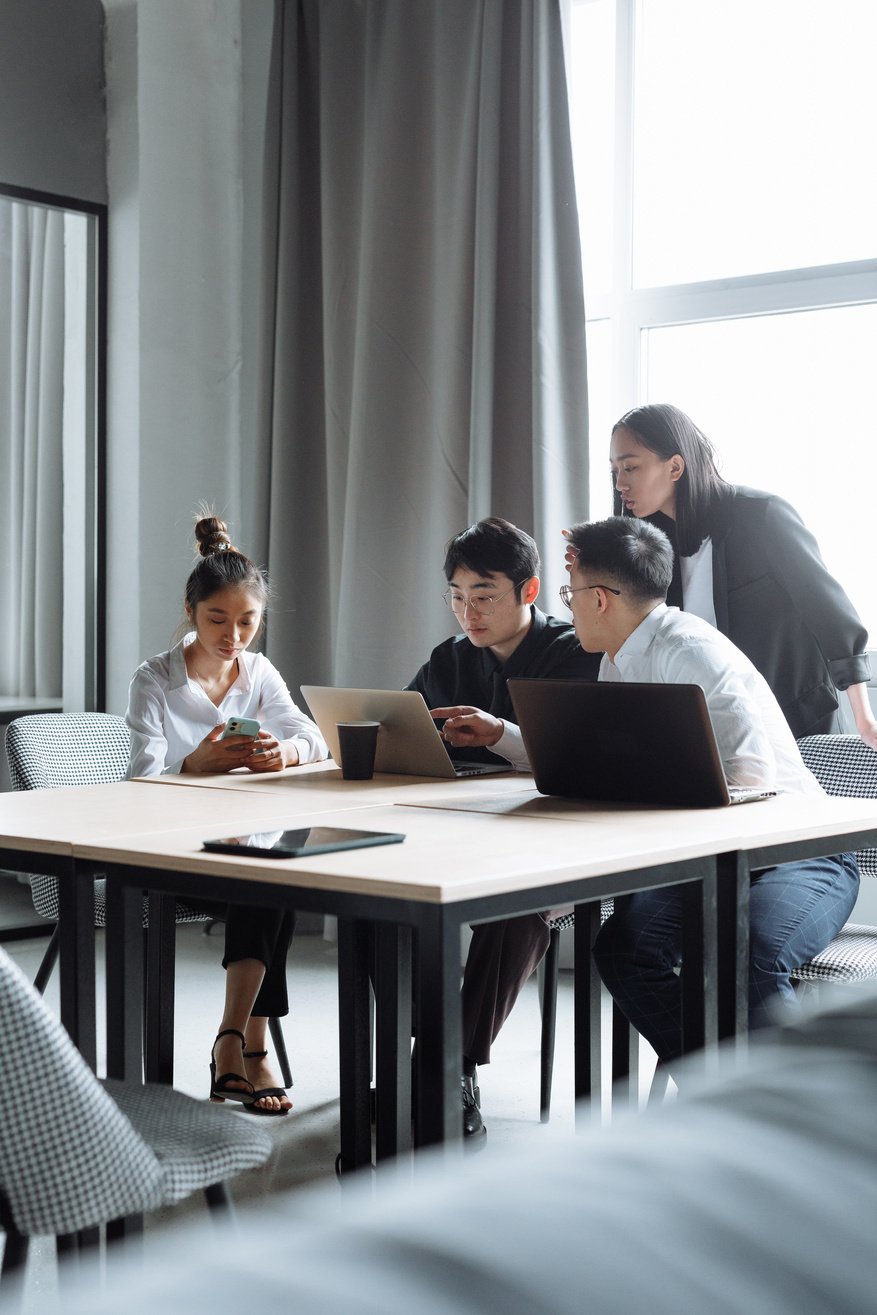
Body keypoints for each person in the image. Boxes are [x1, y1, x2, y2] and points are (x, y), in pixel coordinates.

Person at [562, 514, 860, 1066]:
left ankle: (796, 1122)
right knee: (625, 951)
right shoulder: (616, 663)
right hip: (713, 860)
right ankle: (732, 1101)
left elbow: (750, 780)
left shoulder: (691, 649)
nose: (568, 605)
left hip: (799, 854)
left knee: (747, 956)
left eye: (571, 591)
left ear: (600, 599)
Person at [125, 514, 328, 1114]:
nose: (233, 635)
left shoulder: (258, 672)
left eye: (248, 622)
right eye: (218, 619)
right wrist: (195, 766)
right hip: (175, 850)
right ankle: (247, 1043)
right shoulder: (155, 681)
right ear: (191, 610)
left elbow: (311, 736)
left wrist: (284, 749)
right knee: (269, 876)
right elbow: (139, 779)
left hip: (247, 847)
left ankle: (234, 1040)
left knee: (272, 871)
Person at [406, 517, 600, 1136]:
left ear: (529, 591)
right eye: (457, 597)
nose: (469, 612)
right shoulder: (448, 659)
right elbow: (400, 729)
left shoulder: (575, 654)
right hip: (459, 828)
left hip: (551, 836)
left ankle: (451, 1062)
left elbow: (578, 761)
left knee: (515, 906)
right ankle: (423, 1049)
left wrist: (498, 734)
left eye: (485, 596)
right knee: (378, 897)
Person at [584, 402, 876, 744]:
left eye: (630, 468)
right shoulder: (651, 546)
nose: (620, 483)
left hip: (795, 716)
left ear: (675, 467)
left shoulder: (762, 516)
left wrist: (864, 718)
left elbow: (830, 614)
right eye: (613, 471)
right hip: (712, 722)